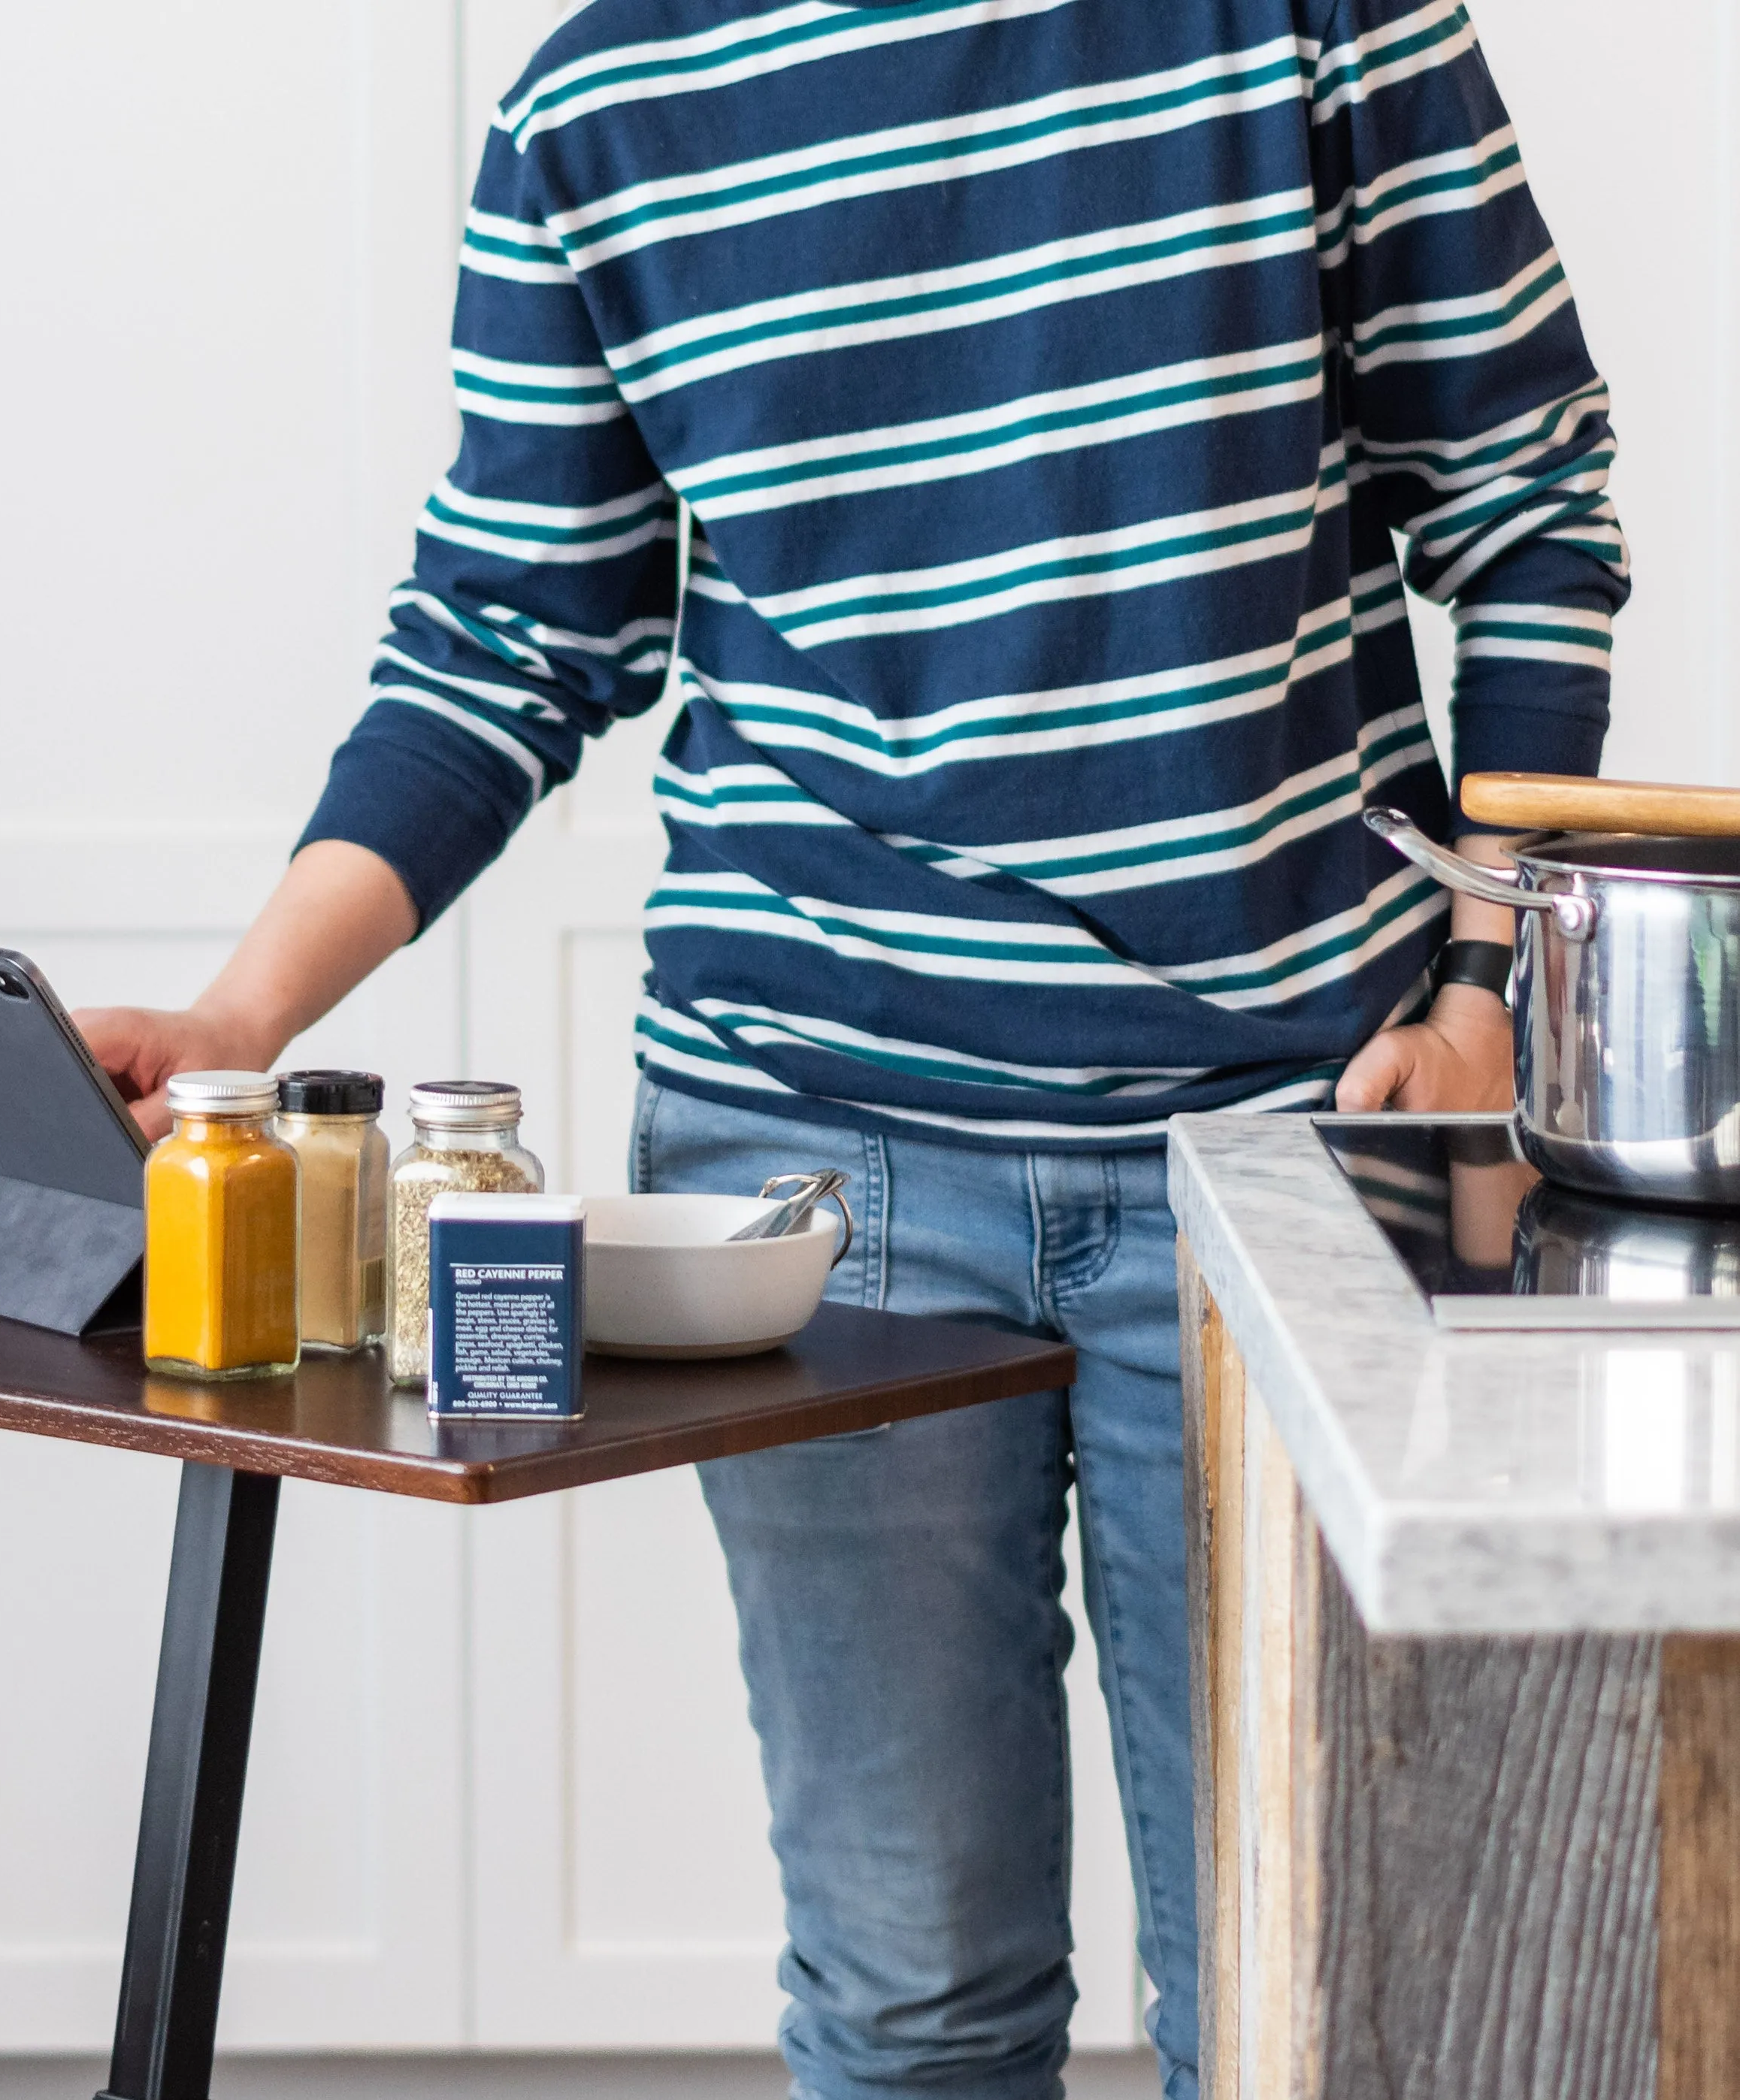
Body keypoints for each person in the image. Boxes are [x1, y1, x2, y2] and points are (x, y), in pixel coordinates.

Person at [78, 4, 1627, 2094]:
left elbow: (1527, 507)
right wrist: (238, 1020)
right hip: (808, 1171)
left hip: (1296, 1153)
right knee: (911, 1992)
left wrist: (1489, 991)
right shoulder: (605, 98)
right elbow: (507, 634)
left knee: (1295, 1999)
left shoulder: (1316, 23)